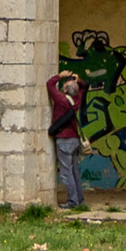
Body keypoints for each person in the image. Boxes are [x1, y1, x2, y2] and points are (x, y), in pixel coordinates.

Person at [47, 65, 85, 211]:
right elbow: (82, 88)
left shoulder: (61, 100)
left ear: (64, 90)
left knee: (66, 172)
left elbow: (49, 84)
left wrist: (60, 75)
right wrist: (78, 80)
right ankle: (79, 199)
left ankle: (72, 202)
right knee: (74, 171)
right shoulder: (77, 100)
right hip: (75, 139)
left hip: (64, 140)